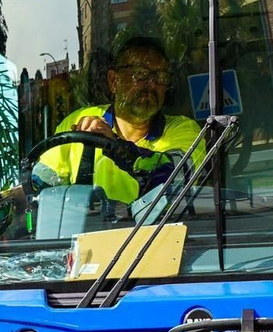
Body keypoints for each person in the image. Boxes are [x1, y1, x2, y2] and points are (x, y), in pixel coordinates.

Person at [32, 37, 203, 207]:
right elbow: (40, 186)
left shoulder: (184, 130)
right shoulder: (78, 122)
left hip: (154, 233)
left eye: (160, 76)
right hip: (82, 232)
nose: (151, 84)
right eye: (140, 74)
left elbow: (175, 179)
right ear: (114, 81)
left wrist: (117, 148)